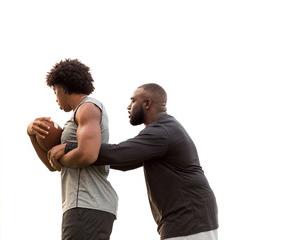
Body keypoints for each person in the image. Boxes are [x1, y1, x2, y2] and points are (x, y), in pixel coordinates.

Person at [49, 83, 219, 240]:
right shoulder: (162, 130)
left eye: (133, 101)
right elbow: (125, 163)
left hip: (190, 219)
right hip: (186, 219)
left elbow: (121, 154)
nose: (129, 106)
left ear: (147, 104)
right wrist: (83, 153)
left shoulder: (163, 131)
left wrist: (71, 148)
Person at [27, 59, 118, 240]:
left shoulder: (87, 108)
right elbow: (53, 166)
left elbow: (88, 154)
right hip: (83, 204)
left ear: (62, 87)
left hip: (87, 202)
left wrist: (61, 154)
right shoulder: (80, 112)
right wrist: (31, 134)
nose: (55, 97)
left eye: (54, 91)